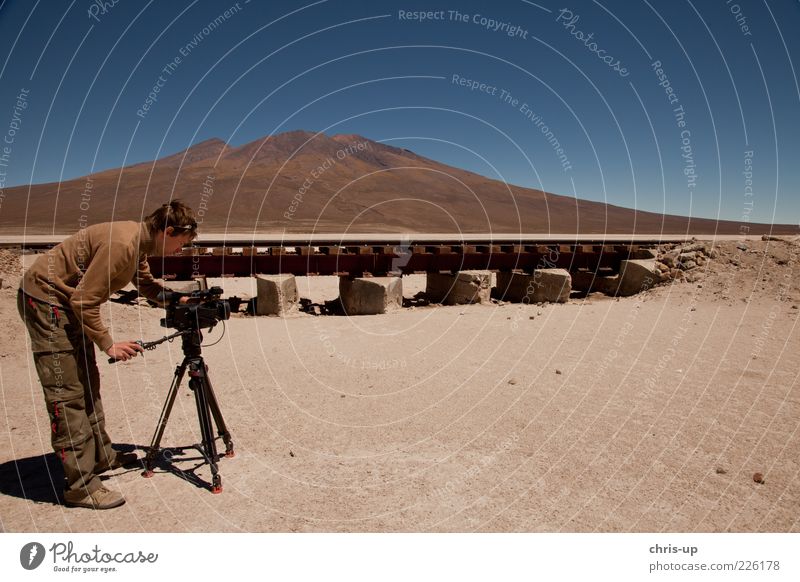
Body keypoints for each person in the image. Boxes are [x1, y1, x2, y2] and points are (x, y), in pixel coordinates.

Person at [17, 200, 198, 509]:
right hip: (46, 301)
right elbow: (85, 300)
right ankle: (80, 486)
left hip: (65, 303)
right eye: (182, 243)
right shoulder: (123, 244)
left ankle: (103, 456)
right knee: (68, 393)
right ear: (168, 231)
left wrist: (174, 299)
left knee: (87, 379)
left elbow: (144, 284)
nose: (180, 250)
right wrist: (108, 343)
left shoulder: (138, 242)